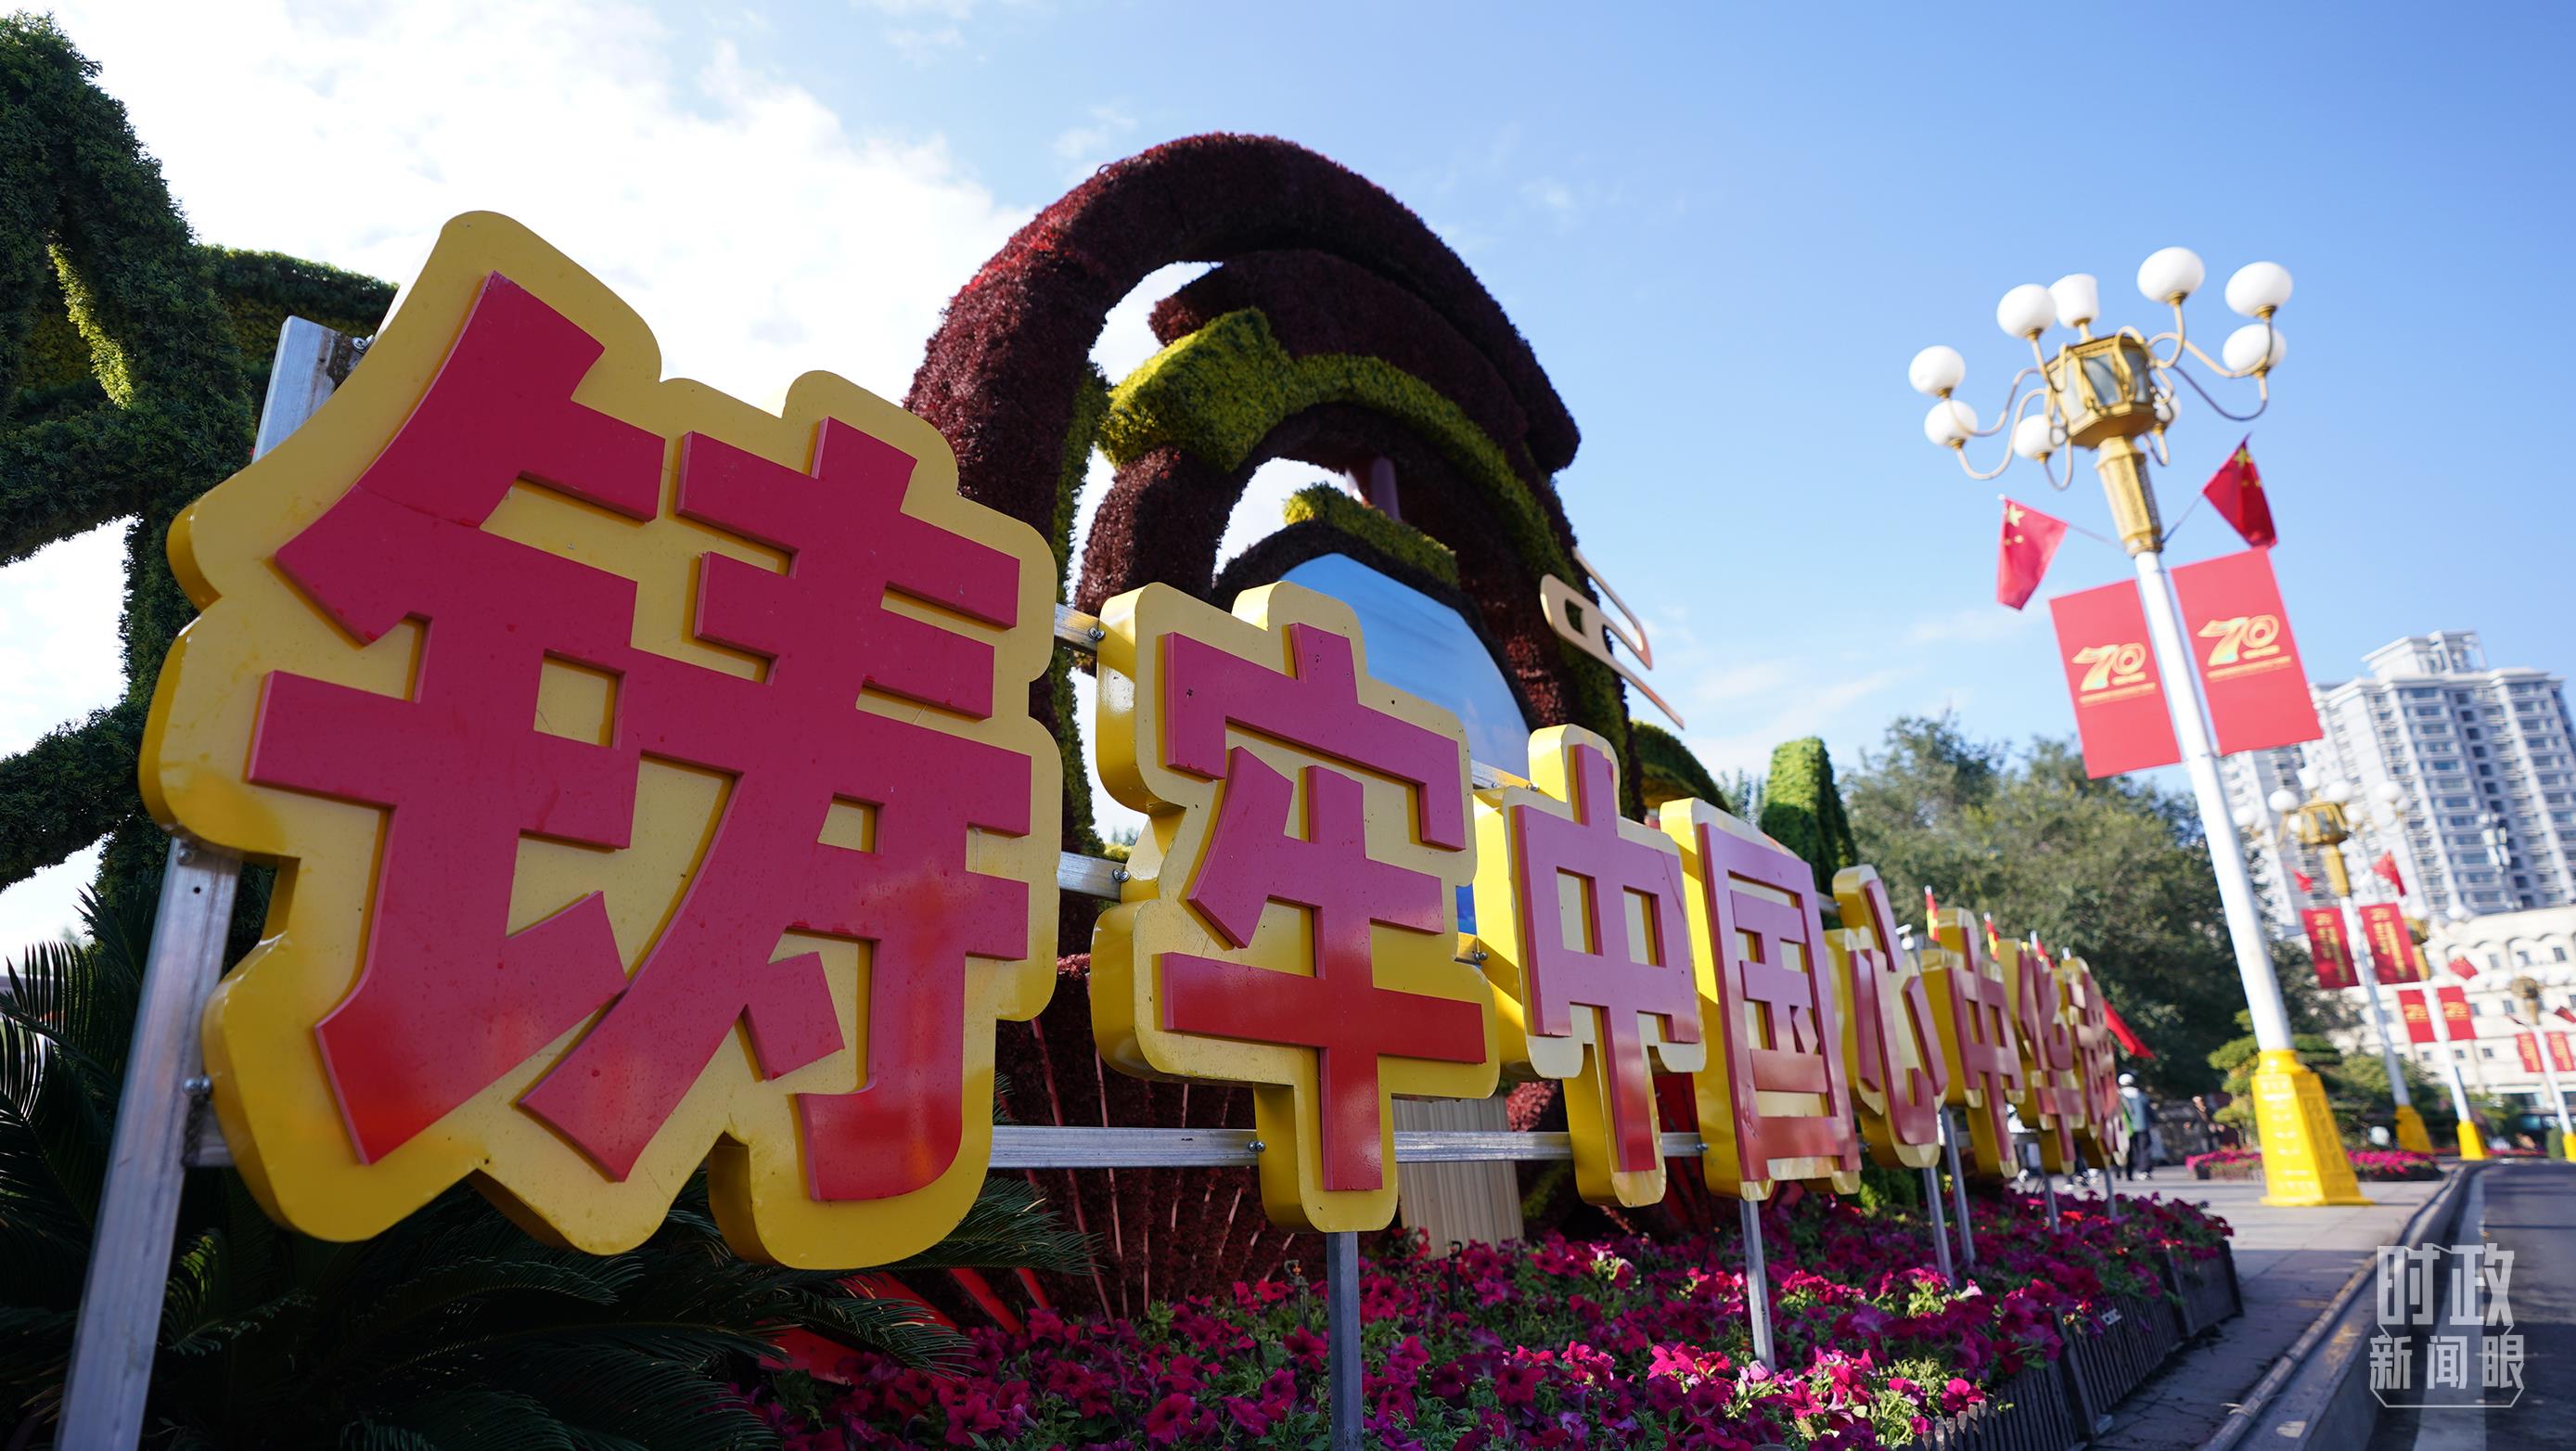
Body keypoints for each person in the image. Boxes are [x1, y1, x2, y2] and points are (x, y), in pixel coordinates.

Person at [2120, 1073, 2154, 1180]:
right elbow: (2149, 1110)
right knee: (2144, 1149)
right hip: (2142, 1125)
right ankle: (2144, 1171)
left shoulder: (2119, 1096)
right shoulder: (2140, 1095)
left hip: (2125, 1128)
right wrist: (2153, 1121)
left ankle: (2128, 1172)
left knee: (2127, 1150)